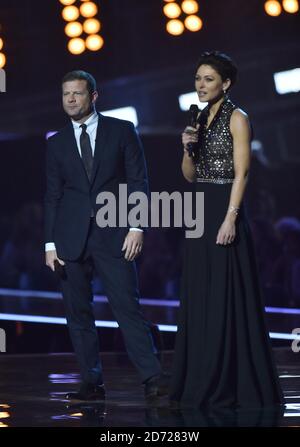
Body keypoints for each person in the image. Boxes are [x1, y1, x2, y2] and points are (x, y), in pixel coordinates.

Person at [44, 70, 167, 401]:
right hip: (70, 238)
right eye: (66, 94)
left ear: (93, 96)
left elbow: (139, 181)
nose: (71, 99)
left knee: (127, 307)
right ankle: (91, 380)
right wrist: (50, 243)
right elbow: (53, 194)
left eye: (77, 93)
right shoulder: (56, 142)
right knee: (78, 313)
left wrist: (137, 226)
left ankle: (153, 377)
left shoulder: (122, 131)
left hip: (115, 233)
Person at [169, 52, 283, 409]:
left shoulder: (238, 117)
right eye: (198, 78)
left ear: (226, 83)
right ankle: (201, 375)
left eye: (208, 79)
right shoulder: (200, 119)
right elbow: (190, 176)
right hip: (199, 209)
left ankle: (232, 380)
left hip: (224, 207)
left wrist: (231, 218)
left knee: (225, 292)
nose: (200, 85)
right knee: (200, 294)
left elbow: (242, 172)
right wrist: (187, 149)